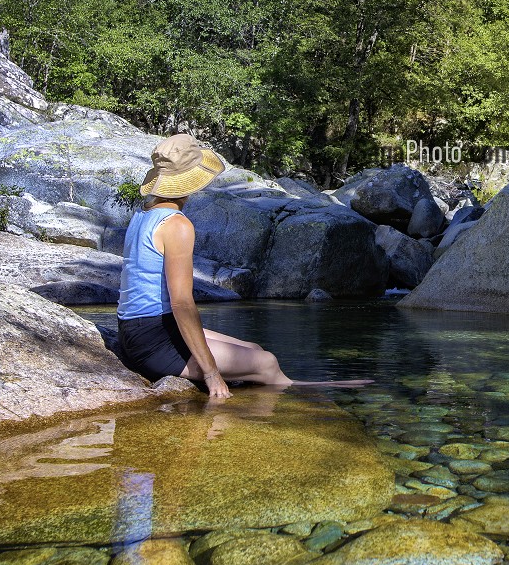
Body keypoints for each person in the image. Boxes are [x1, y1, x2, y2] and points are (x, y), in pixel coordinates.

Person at [116, 134, 367, 396]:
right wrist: (212, 374)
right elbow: (181, 304)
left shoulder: (145, 211)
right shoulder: (177, 225)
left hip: (142, 328)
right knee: (267, 363)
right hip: (152, 341)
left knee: (255, 350)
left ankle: (291, 386)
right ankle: (310, 392)